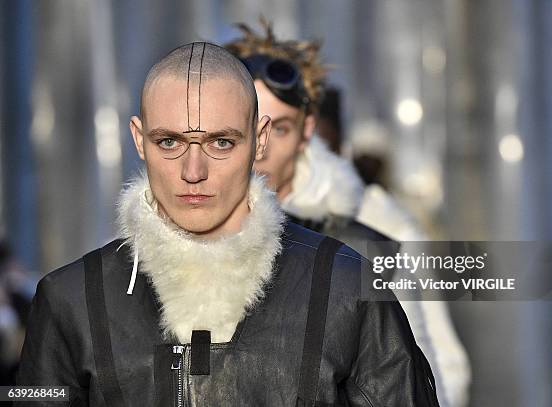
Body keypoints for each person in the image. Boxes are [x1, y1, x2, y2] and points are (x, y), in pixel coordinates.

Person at [17, 42, 438, 406]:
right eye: (170, 141)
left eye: (221, 142)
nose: (194, 170)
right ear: (138, 140)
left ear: (260, 140)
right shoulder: (68, 301)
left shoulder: (348, 286)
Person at [226, 22, 470, 407]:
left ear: (307, 131)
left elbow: (434, 377)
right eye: (248, 126)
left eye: (281, 128)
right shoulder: (165, 233)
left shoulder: (374, 235)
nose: (261, 147)